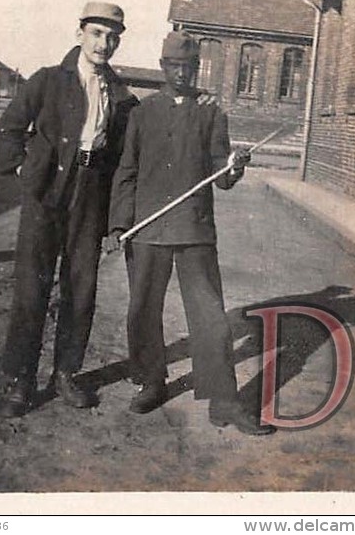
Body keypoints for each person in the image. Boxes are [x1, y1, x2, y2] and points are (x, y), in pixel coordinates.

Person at [106, 31, 276, 436]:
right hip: (147, 228)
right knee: (142, 310)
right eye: (173, 65)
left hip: (194, 229)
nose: (181, 73)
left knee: (210, 316)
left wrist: (235, 165)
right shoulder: (142, 114)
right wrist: (119, 223)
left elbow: (222, 171)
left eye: (189, 66)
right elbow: (126, 171)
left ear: (197, 68)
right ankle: (151, 382)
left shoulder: (211, 113)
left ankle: (224, 401)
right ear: (162, 66)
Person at [0, 2, 139, 417]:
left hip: (90, 194)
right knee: (31, 287)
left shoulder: (121, 95)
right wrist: (23, 169)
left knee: (81, 287)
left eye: (112, 37)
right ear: (80, 34)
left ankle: (66, 374)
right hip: (46, 193)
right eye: (96, 33)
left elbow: (120, 160)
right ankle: (19, 380)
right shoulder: (47, 81)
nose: (104, 44)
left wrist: (114, 217)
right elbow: (8, 129)